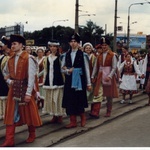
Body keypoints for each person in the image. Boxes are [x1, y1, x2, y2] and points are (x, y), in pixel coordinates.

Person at [1, 34, 42, 147]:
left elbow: (31, 78)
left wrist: (29, 94)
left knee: (29, 113)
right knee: (10, 114)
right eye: (12, 44)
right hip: (13, 90)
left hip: (25, 89)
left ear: (21, 45)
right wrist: (10, 82)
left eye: (14, 44)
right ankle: (10, 140)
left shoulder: (29, 58)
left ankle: (32, 134)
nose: (12, 46)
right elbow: (5, 72)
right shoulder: (11, 59)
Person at [61, 33, 91, 128]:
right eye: (71, 41)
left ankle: (82, 118)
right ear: (69, 43)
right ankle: (72, 121)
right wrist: (67, 70)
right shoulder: (66, 55)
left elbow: (86, 69)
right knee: (70, 100)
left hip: (79, 81)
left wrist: (88, 83)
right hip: (69, 80)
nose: (73, 43)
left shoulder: (83, 55)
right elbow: (62, 68)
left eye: (75, 42)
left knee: (79, 99)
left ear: (78, 43)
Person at [91, 37, 118, 117]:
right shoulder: (99, 55)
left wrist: (109, 76)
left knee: (109, 95)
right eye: (102, 45)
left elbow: (114, 67)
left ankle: (108, 110)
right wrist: (92, 76)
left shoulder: (112, 55)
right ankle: (95, 111)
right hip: (100, 76)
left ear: (108, 46)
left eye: (105, 45)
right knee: (98, 93)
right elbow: (96, 67)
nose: (104, 47)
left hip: (108, 76)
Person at [42, 40, 65, 123]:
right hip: (49, 80)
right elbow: (45, 70)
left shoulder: (60, 57)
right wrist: (44, 80)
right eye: (51, 46)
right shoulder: (47, 58)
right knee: (51, 98)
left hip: (58, 80)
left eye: (54, 46)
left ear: (57, 48)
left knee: (58, 98)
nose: (52, 48)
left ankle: (60, 115)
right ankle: (54, 115)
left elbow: (63, 69)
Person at [0, 36, 10, 120]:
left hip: (3, 80)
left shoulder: (5, 58)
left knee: (4, 96)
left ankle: (6, 113)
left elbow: (6, 71)